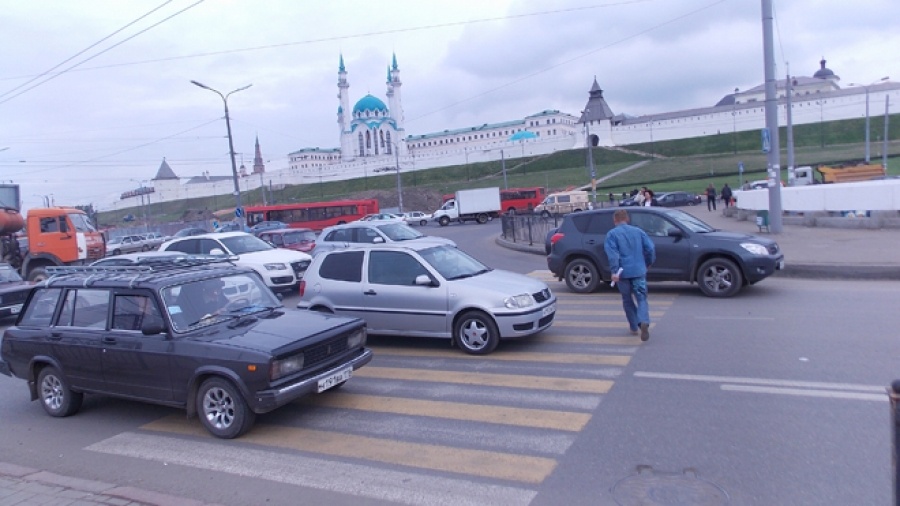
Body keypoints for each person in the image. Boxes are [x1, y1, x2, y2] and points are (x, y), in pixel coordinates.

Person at [604, 209, 656, 342]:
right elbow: (650, 248)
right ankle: (643, 320)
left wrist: (614, 271)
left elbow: (613, 255)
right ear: (627, 219)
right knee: (642, 298)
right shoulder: (638, 231)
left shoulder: (612, 234)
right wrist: (648, 263)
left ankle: (634, 326)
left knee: (627, 300)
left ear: (614, 220)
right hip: (639, 271)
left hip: (623, 273)